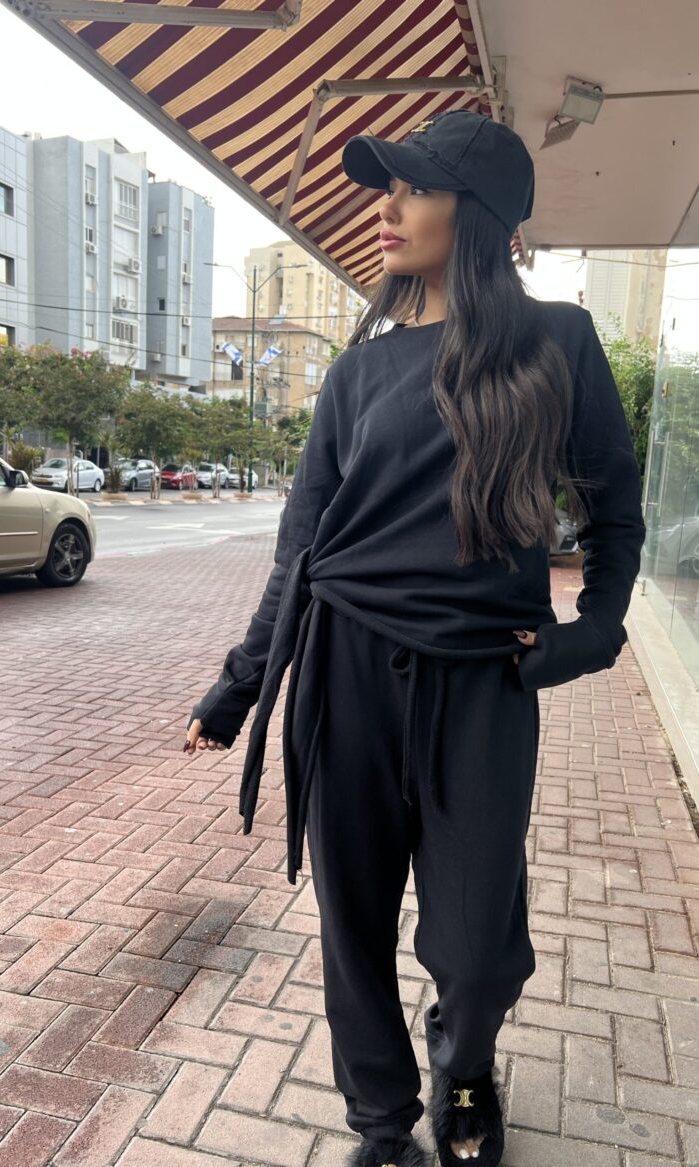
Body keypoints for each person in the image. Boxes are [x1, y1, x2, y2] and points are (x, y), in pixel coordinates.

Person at [184, 109, 646, 1167]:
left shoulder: (558, 342)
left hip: (483, 681)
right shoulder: (357, 372)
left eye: (412, 188)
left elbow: (615, 511)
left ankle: (465, 1067)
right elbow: (300, 547)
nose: (383, 210)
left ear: (475, 214)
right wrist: (240, 684)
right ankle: (381, 1122)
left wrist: (593, 635)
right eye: (383, 189)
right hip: (344, 668)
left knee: (476, 950)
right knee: (351, 923)